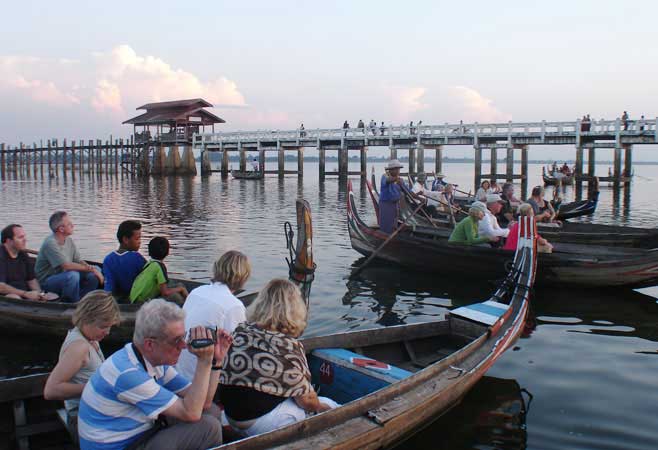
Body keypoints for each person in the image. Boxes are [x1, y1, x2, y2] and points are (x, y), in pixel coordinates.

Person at [78, 299, 232, 450]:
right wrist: (203, 361)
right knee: (209, 428)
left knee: (211, 410)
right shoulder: (129, 374)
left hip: (136, 434)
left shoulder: (149, 360)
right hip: (120, 445)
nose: (184, 345)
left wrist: (216, 361)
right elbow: (191, 413)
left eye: (183, 337)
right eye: (177, 340)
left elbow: (203, 403)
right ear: (150, 344)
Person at [219, 279, 338, 438]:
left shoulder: (240, 331)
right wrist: (323, 408)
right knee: (330, 404)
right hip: (259, 424)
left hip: (230, 416)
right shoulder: (288, 347)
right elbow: (307, 400)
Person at [44, 291, 121, 438]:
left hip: (94, 410)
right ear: (87, 318)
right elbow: (51, 390)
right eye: (103, 326)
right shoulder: (79, 347)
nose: (107, 332)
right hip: (80, 416)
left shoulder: (89, 338)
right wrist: (96, 386)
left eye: (110, 327)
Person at [176, 250, 250, 382]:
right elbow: (241, 346)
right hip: (199, 376)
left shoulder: (196, 292)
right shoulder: (234, 306)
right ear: (243, 277)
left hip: (179, 369)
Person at [35, 211, 102, 303]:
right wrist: (91, 269)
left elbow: (78, 260)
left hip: (65, 276)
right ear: (61, 229)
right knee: (73, 275)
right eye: (69, 224)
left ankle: (84, 301)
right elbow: (66, 266)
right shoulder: (50, 243)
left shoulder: (69, 240)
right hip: (47, 282)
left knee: (97, 269)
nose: (73, 225)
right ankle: (71, 303)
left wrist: (92, 269)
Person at [129, 237, 189, 304]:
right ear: (167, 253)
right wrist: (181, 289)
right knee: (176, 296)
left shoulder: (149, 263)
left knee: (177, 285)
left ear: (149, 252)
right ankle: (188, 306)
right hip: (141, 302)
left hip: (133, 298)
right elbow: (165, 293)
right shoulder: (160, 267)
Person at [102, 220, 146, 301]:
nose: (140, 242)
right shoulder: (137, 258)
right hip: (134, 298)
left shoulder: (108, 259)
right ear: (125, 239)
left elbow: (108, 287)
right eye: (137, 239)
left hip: (116, 298)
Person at [0, 224, 46, 300]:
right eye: (20, 237)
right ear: (9, 241)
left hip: (24, 292)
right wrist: (25, 294)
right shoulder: (1, 255)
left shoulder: (23, 254)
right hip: (5, 296)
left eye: (24, 236)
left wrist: (39, 293)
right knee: (14, 298)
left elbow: (31, 279)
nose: (25, 240)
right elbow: (1, 287)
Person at [379, 160, 404, 234]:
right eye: (396, 169)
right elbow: (387, 181)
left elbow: (406, 190)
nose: (398, 171)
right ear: (391, 170)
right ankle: (384, 235)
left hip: (395, 204)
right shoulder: (385, 176)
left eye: (398, 169)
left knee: (394, 223)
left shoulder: (399, 179)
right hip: (386, 204)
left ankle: (393, 233)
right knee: (386, 223)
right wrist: (396, 179)